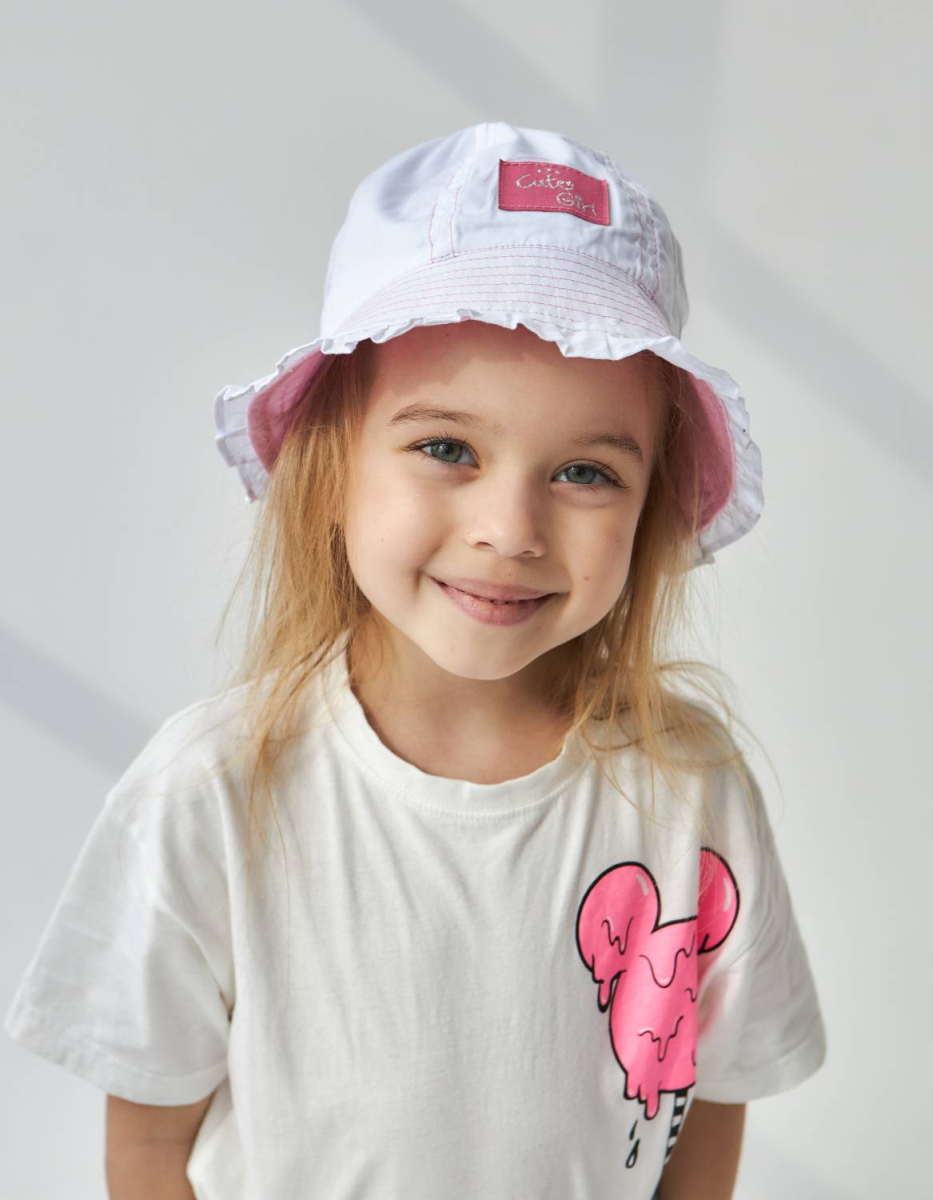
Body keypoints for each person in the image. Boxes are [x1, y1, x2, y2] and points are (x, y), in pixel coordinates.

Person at [3, 122, 827, 1200]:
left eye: (585, 472)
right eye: (447, 448)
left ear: (650, 506)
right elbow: (151, 1150)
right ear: (331, 463)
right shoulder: (215, 791)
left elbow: (714, 1094)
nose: (510, 529)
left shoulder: (688, 788)